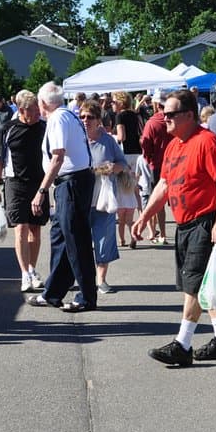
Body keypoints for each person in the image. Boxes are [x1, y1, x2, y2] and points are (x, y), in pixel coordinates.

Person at [133, 89, 216, 366]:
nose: (163, 118)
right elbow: (164, 185)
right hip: (185, 223)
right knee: (206, 284)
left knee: (194, 284)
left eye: (170, 114)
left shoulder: (207, 142)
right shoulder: (173, 145)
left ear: (189, 115)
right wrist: (144, 217)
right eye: (163, 113)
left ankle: (182, 343)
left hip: (206, 221)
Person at [25, 81, 99, 313]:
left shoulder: (58, 118)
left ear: (43, 102)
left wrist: (41, 191)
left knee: (76, 240)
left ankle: (87, 296)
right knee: (61, 237)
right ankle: (53, 292)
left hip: (72, 182)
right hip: (71, 182)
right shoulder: (66, 115)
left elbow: (58, 157)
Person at [0, 90, 48, 292]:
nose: (38, 113)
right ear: (22, 110)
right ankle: (24, 273)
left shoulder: (44, 127)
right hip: (15, 184)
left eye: (39, 109)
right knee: (21, 228)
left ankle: (32, 270)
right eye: (33, 110)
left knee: (35, 228)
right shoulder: (8, 129)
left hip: (39, 185)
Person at [80, 99, 128, 293]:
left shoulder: (107, 140)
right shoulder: (76, 139)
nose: (85, 120)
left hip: (104, 199)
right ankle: (84, 279)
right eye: (82, 116)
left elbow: (123, 164)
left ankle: (101, 280)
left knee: (103, 241)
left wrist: (112, 168)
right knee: (80, 242)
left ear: (98, 120)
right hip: (81, 199)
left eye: (90, 117)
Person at [140, 90, 172, 244]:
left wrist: (149, 159)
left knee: (157, 201)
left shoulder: (152, 123)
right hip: (177, 163)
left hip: (158, 166)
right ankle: (163, 233)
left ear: (156, 104)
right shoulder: (175, 120)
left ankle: (161, 233)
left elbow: (145, 146)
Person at [112, 90, 144, 248]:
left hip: (126, 153)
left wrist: (113, 137)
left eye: (113, 101)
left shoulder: (120, 116)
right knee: (135, 188)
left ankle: (125, 226)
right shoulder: (134, 114)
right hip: (138, 151)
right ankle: (141, 215)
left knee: (124, 186)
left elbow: (121, 136)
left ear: (119, 102)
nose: (112, 104)